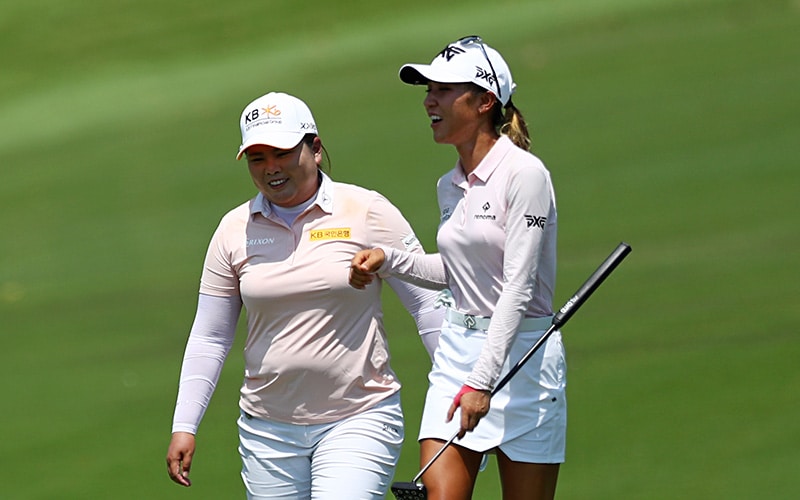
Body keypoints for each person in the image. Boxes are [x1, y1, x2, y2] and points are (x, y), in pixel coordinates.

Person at [165, 91, 443, 499]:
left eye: (282, 153)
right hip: (267, 431)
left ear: (314, 148)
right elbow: (211, 335)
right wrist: (184, 424)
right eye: (258, 158)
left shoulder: (366, 209)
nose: (271, 168)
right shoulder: (233, 229)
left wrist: (457, 399)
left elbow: (428, 306)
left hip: (359, 417)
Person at [349, 36, 563, 500]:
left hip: (524, 357)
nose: (429, 100)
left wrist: (482, 382)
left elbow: (517, 288)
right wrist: (392, 261)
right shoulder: (450, 185)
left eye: (444, 90)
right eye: (429, 89)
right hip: (457, 352)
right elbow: (458, 269)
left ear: (485, 101)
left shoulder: (525, 175)